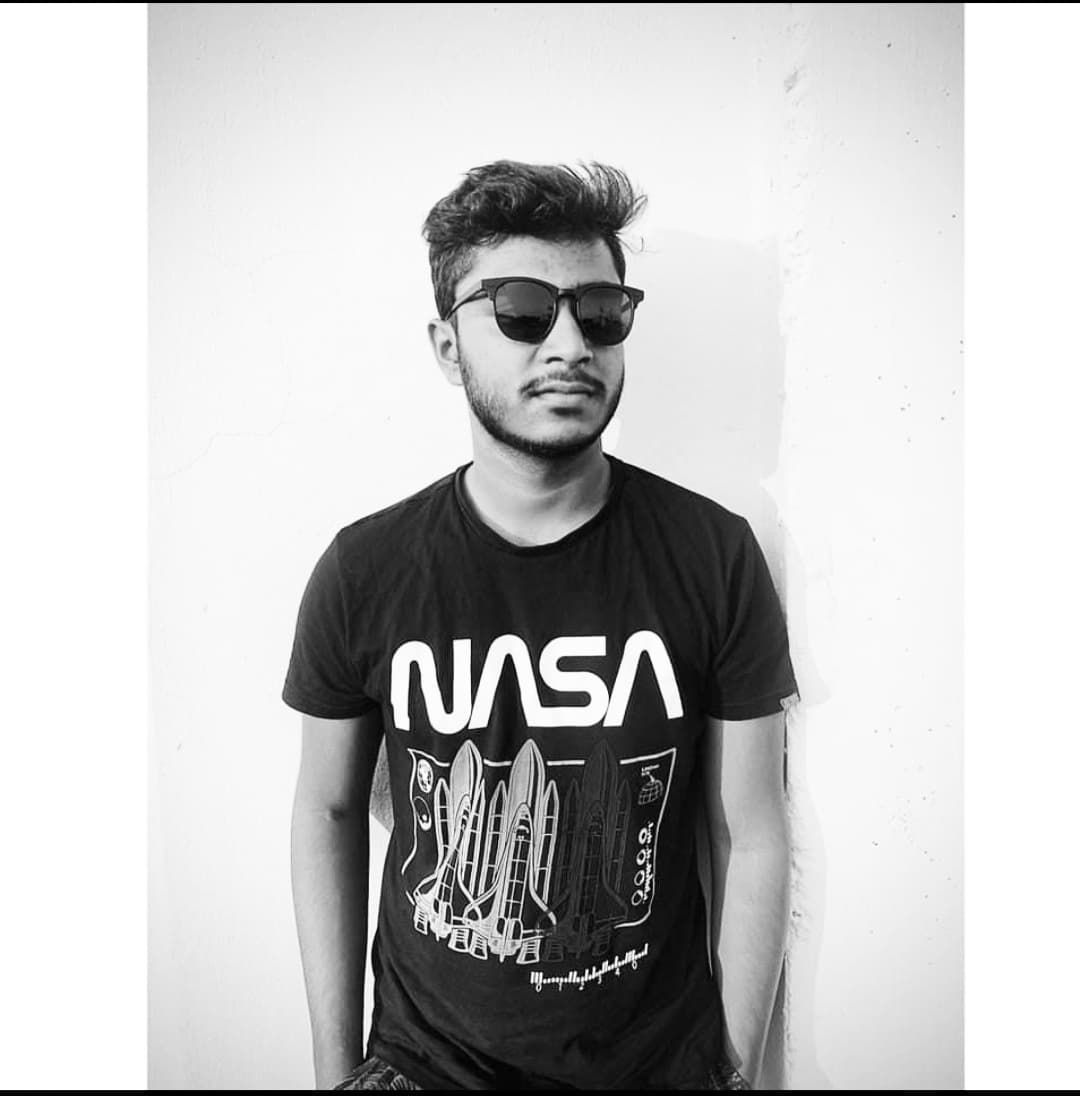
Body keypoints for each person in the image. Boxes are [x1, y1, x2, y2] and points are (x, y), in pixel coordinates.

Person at [284, 160, 799, 1091]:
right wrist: (336, 1071)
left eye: (600, 312)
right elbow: (327, 810)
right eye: (521, 310)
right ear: (448, 346)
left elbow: (750, 829)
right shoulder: (366, 570)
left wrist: (732, 1070)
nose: (570, 344)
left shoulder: (712, 554)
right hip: (424, 1067)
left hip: (659, 1068)